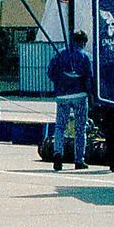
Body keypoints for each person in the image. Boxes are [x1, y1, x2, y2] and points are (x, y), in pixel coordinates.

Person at [48, 30, 93, 171]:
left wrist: (60, 84)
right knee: (80, 128)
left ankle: (57, 154)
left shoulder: (59, 54)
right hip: (80, 95)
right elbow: (89, 77)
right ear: (83, 42)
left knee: (60, 126)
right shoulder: (85, 57)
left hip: (62, 95)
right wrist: (90, 95)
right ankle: (79, 160)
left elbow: (50, 72)